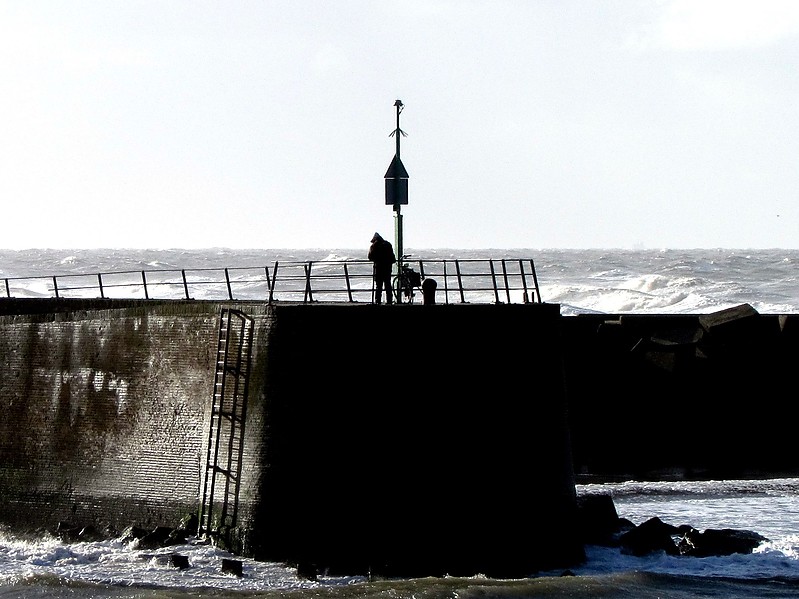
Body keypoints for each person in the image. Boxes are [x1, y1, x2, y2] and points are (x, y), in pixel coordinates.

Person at [368, 232, 396, 304]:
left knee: (378, 286)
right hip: (387, 268)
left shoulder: (374, 246)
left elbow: (370, 257)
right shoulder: (388, 244)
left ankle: (378, 301)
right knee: (388, 285)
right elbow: (393, 259)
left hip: (378, 268)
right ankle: (389, 301)